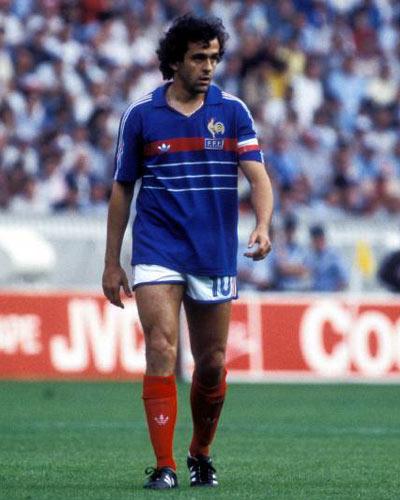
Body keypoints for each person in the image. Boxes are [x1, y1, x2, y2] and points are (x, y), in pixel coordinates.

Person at [101, 14, 273, 491]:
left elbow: (258, 176)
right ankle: (165, 465)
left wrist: (262, 224)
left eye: (214, 58)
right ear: (175, 61)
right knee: (161, 347)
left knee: (212, 361)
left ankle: (200, 452)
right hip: (157, 246)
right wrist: (112, 261)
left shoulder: (233, 111)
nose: (208, 67)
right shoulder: (141, 115)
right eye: (199, 57)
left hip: (212, 249)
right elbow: (122, 189)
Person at [307, 224, 348, 291]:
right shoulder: (311, 255)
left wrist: (333, 293)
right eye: (314, 239)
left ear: (323, 238)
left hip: (330, 294)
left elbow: (344, 279)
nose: (316, 242)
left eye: (318, 238)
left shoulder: (333, 255)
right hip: (314, 294)